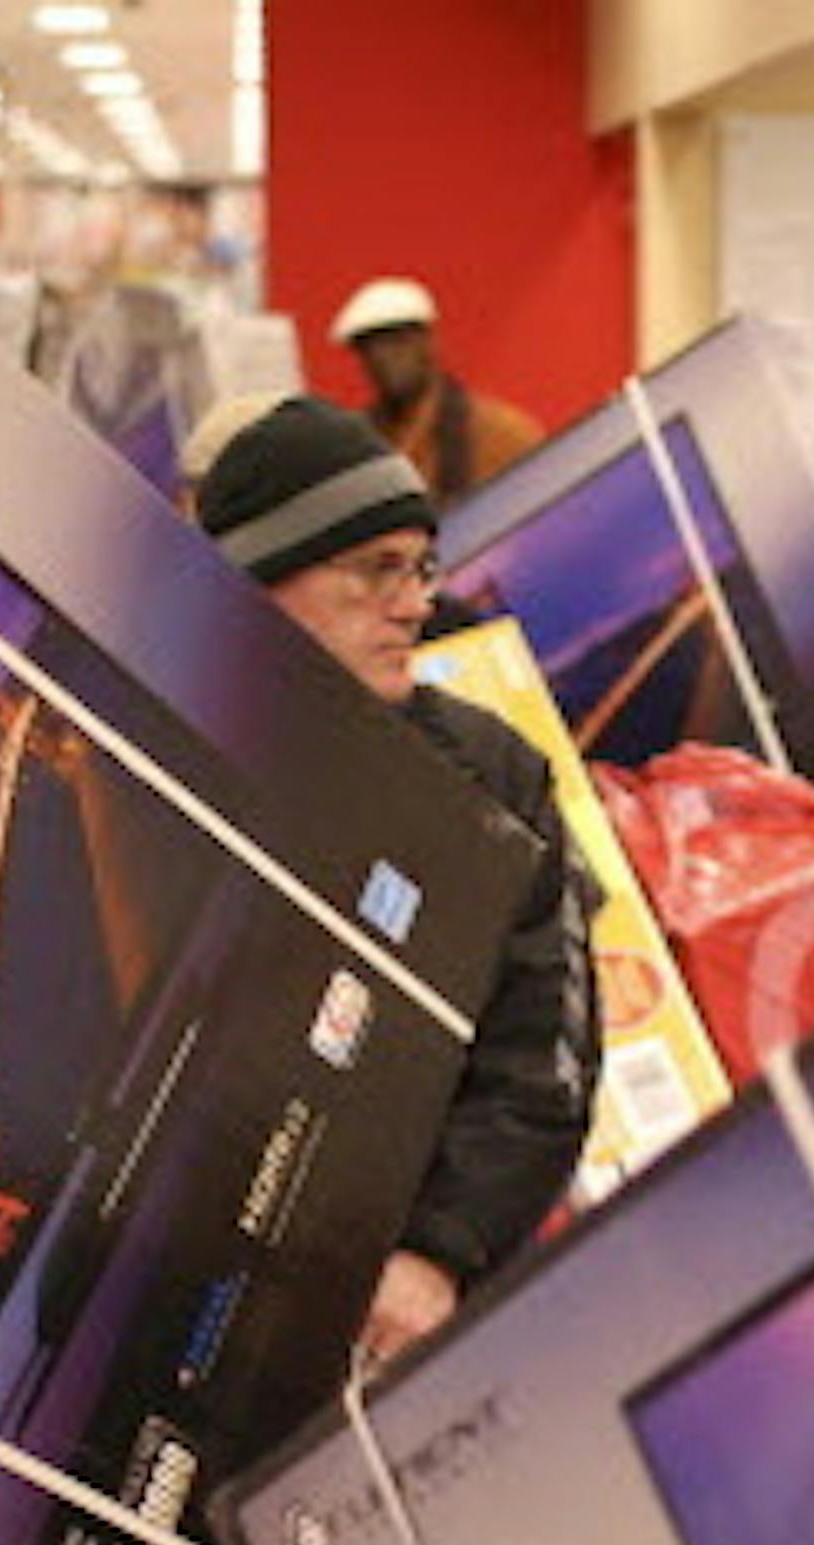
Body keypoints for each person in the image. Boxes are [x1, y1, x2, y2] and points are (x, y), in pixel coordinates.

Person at [196, 396, 599, 1364]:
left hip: (421, 1320)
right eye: (375, 569)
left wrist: (438, 1251)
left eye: (421, 567)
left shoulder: (490, 781)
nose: (416, 601)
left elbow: (544, 1048)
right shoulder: (168, 769)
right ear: (264, 584)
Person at [330, 276, 543, 507]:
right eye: (367, 347)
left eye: (396, 341)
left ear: (428, 341)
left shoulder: (501, 433)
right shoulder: (356, 447)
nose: (381, 357)